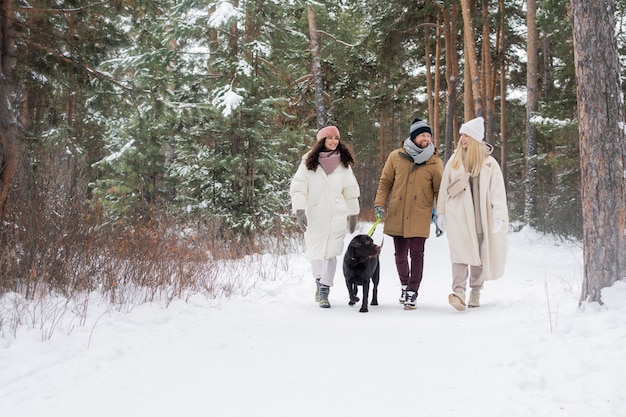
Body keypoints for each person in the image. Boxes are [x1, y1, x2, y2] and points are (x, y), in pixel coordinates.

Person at [436, 116, 509, 311]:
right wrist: (440, 213)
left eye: (467, 135)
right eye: (461, 135)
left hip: (481, 215)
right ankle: (459, 291)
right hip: (458, 215)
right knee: (459, 252)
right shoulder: (454, 160)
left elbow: (498, 192)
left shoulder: (490, 164)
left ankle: (475, 290)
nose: (463, 138)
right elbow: (444, 188)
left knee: (479, 253)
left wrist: (499, 215)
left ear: (476, 138)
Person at [374, 118, 443, 310]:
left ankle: (413, 292)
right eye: (423, 135)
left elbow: (440, 190)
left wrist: (440, 214)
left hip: (420, 214)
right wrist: (379, 203)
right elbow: (385, 182)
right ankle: (404, 286)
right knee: (400, 254)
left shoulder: (435, 161)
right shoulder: (396, 156)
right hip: (397, 211)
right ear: (413, 137)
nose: (426, 139)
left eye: (428, 135)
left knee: (417, 254)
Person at [290, 125, 360, 308]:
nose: (334, 141)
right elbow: (298, 188)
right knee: (316, 253)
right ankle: (318, 280)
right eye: (330, 138)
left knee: (331, 253)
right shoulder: (308, 163)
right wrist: (299, 211)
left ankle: (324, 290)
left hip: (336, 215)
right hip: (315, 215)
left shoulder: (344, 164)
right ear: (322, 141)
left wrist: (353, 213)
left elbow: (351, 190)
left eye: (336, 138)